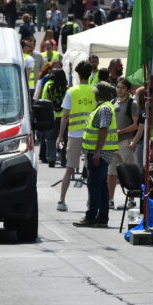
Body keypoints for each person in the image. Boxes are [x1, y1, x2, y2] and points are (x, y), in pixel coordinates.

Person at [73, 82, 118, 228]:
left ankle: (91, 216)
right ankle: (102, 218)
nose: (94, 94)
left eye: (95, 92)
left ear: (99, 94)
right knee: (101, 186)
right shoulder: (104, 107)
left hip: (99, 152)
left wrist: (98, 152)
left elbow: (103, 130)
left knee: (94, 185)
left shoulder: (104, 108)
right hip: (98, 151)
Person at [55, 64, 97, 211]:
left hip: (74, 135)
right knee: (91, 170)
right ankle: (90, 202)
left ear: (78, 75)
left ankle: (61, 201)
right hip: (92, 135)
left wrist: (60, 135)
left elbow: (65, 115)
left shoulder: (71, 91)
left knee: (69, 168)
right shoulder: (95, 91)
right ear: (90, 74)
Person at [108, 78, 139, 208]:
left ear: (128, 90)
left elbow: (136, 125)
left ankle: (131, 200)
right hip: (112, 143)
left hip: (126, 142)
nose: (119, 90)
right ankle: (110, 200)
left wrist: (121, 131)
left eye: (122, 88)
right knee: (111, 173)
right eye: (118, 87)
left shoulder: (132, 104)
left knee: (129, 172)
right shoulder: (112, 102)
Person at [39, 67, 68, 168]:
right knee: (64, 138)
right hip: (64, 116)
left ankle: (51, 159)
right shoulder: (66, 88)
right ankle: (64, 160)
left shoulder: (48, 85)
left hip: (52, 116)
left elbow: (44, 100)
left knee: (51, 138)